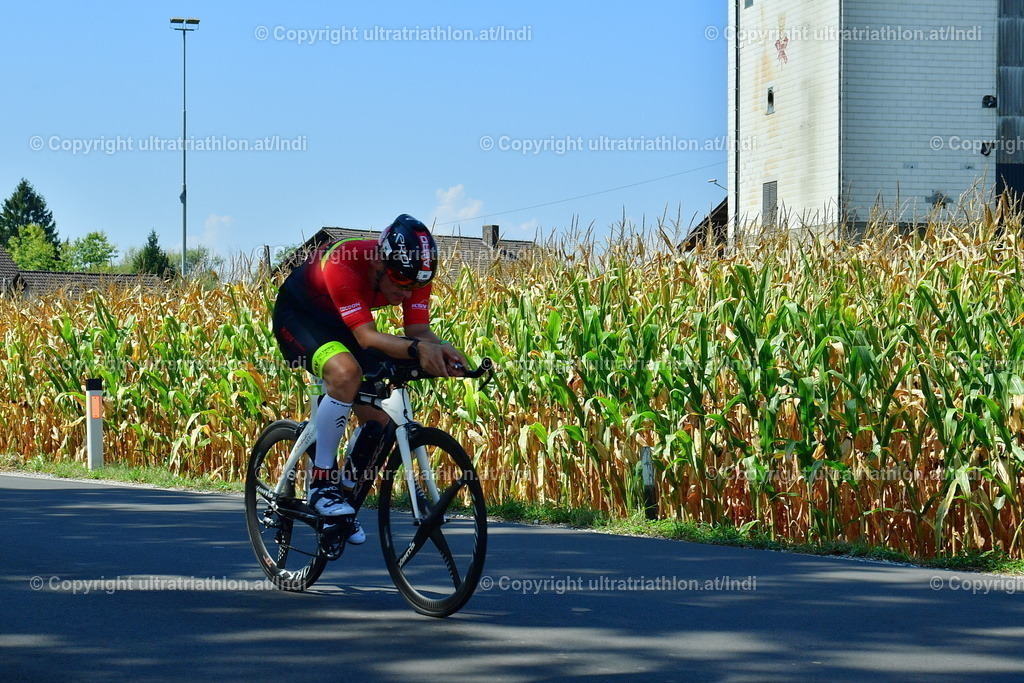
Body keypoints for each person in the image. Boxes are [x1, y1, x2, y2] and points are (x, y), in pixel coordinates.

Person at [272, 214, 469, 544]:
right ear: (380, 261)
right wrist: (419, 350)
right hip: (302, 317)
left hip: (347, 321)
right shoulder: (344, 261)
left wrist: (447, 352)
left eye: (416, 287)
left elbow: (418, 332)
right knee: (346, 372)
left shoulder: (415, 272)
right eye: (400, 283)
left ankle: (344, 493)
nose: (407, 294)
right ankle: (321, 486)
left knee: (378, 419)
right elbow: (366, 337)